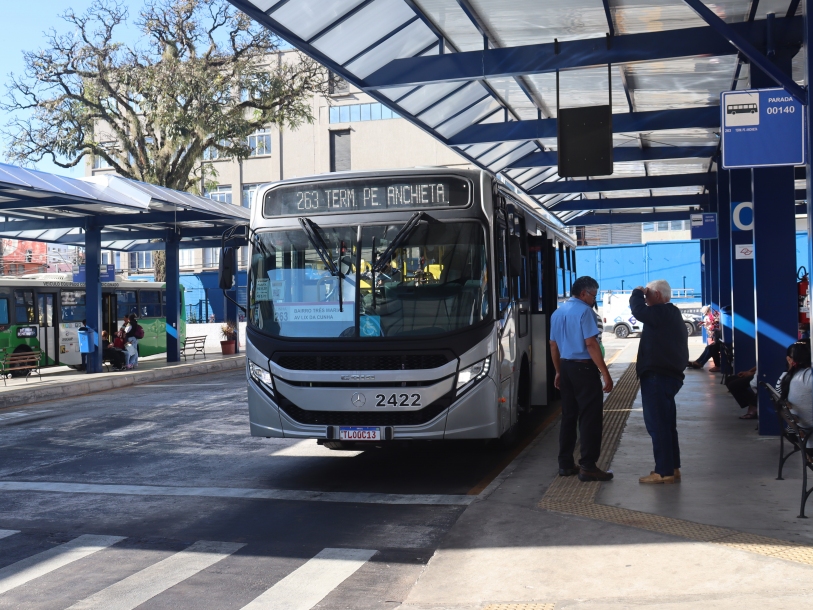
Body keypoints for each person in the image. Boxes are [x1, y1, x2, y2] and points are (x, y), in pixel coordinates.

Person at [549, 276, 614, 482]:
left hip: (566, 367)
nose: (594, 300)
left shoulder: (557, 312)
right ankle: (588, 466)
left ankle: (565, 464)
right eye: (594, 295)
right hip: (584, 370)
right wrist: (605, 372)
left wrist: (558, 371)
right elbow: (591, 344)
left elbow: (553, 346)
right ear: (584, 293)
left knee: (569, 416)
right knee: (589, 418)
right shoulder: (585, 312)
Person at [630, 280, 689, 484]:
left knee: (657, 425)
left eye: (647, 295)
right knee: (666, 424)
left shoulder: (661, 311)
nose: (645, 300)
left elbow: (638, 311)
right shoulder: (670, 313)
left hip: (658, 377)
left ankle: (663, 471)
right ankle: (672, 467)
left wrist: (637, 292)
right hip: (668, 376)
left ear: (656, 294)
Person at [778, 342, 813, 443]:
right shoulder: (808, 376)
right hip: (809, 436)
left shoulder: (787, 377)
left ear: (789, 359)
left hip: (801, 431)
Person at [688, 305, 720, 371]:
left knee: (711, 348)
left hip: (719, 339)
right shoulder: (713, 317)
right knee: (708, 347)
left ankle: (701, 363)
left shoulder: (715, 317)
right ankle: (698, 362)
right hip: (718, 338)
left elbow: (716, 326)